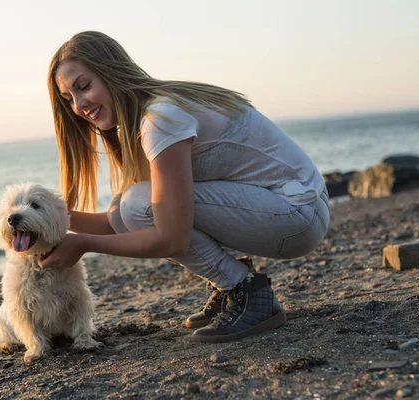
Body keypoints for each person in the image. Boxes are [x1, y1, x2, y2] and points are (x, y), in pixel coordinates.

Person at [39, 31, 330, 343]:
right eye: (69, 99)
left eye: (84, 87)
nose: (80, 105)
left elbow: (171, 238)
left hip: (298, 215)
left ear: (112, 73)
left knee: (137, 204)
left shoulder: (162, 117)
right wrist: (44, 220)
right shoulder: (146, 118)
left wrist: (82, 244)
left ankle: (245, 290)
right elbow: (121, 222)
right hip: (288, 211)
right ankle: (233, 281)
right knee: (125, 207)